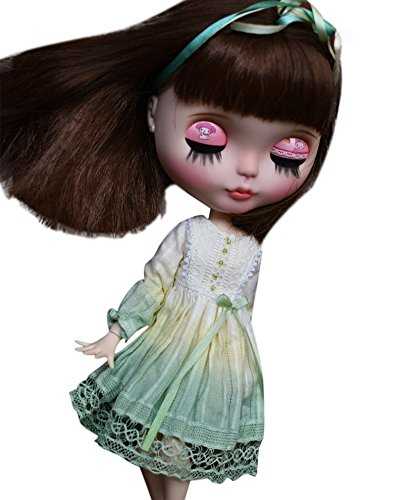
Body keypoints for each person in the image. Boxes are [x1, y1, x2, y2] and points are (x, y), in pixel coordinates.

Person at [0, 1, 342, 499]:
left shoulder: (253, 250)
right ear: (154, 113)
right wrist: (117, 331)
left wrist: (242, 371)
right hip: (171, 342)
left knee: (180, 442)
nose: (248, 169)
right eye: (209, 136)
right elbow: (156, 283)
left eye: (288, 152)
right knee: (154, 436)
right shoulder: (190, 233)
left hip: (223, 360)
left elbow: (246, 307)